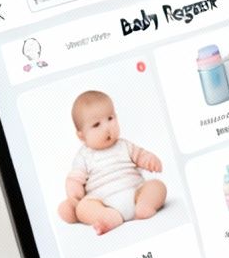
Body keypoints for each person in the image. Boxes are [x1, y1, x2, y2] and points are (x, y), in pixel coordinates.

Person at [58, 89, 167, 234]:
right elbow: (75, 177)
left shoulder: (124, 145)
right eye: (96, 125)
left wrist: (149, 159)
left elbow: (141, 155)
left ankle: (145, 205)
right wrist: (74, 191)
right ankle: (107, 216)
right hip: (102, 201)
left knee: (157, 186)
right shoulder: (84, 156)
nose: (107, 127)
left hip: (136, 193)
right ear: (82, 136)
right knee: (83, 207)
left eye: (110, 118)